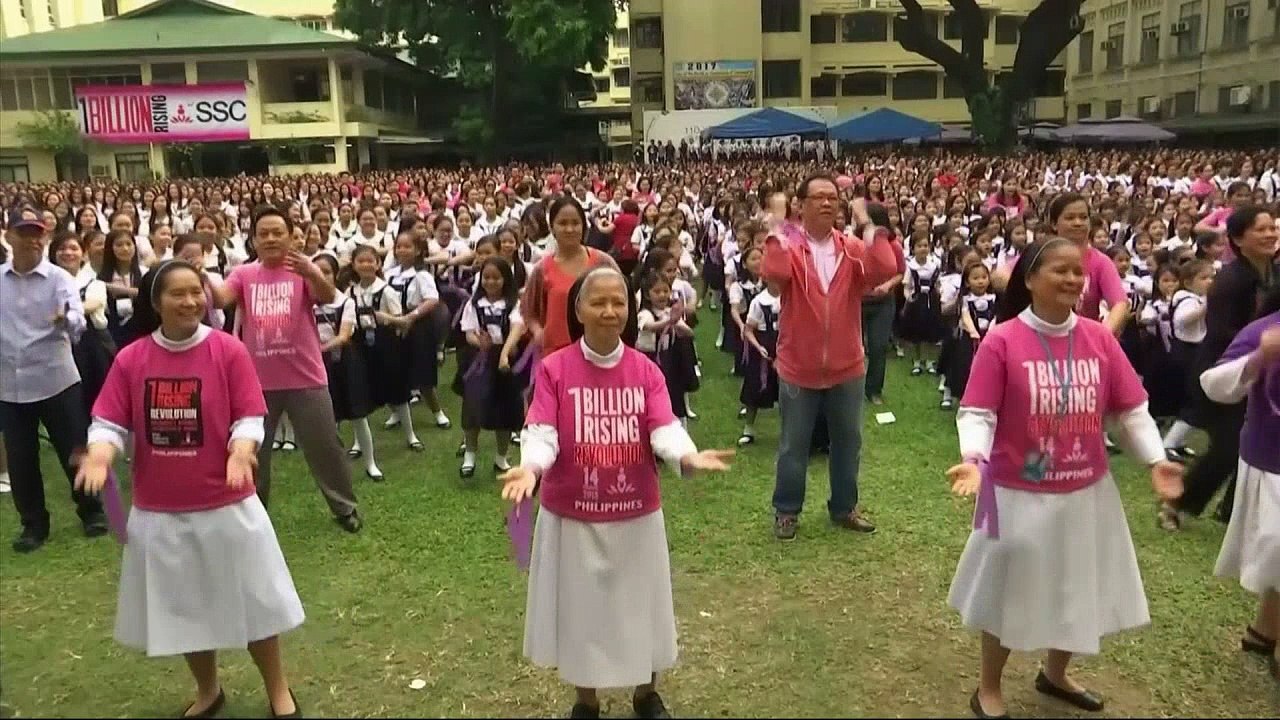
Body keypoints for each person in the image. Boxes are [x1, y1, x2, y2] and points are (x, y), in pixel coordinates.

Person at [946, 237, 1183, 719]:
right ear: (1029, 279)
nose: (1074, 279)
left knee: (1077, 582)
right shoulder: (1003, 340)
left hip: (1084, 489)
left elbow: (1131, 409)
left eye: (1079, 271)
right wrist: (975, 457)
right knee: (1008, 588)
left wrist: (1156, 460)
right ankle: (988, 687)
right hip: (1018, 491)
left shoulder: (1098, 339)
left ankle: (1056, 674)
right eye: (1060, 270)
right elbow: (978, 412)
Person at [499, 266, 734, 720]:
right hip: (573, 515)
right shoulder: (554, 369)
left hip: (635, 515)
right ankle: (585, 703)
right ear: (579, 310)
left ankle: (646, 695)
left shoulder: (645, 370)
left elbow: (664, 425)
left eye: (619, 303)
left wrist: (685, 455)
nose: (610, 311)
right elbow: (542, 430)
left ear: (629, 311)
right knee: (579, 613)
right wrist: (531, 468)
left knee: (641, 606)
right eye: (598, 302)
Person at [75, 260, 304, 719]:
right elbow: (110, 421)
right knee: (184, 611)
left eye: (197, 291)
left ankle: (279, 690)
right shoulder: (132, 358)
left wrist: (242, 450)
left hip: (227, 504)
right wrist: (101, 454)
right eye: (177, 294)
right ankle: (209, 690)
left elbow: (249, 414)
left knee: (255, 601)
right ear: (155, 302)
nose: (191, 301)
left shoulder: (226, 350)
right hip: (161, 511)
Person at [762, 178, 900, 541]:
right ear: (801, 205)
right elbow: (773, 275)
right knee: (794, 444)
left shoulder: (851, 248)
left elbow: (885, 267)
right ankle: (787, 510)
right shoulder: (790, 247)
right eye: (818, 198)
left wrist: (868, 223)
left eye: (833, 198)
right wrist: (777, 226)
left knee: (848, 441)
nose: (827, 204)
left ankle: (844, 507)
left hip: (846, 365)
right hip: (798, 365)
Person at [213, 207, 362, 533]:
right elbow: (219, 298)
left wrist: (311, 271)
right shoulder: (243, 274)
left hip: (306, 377)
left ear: (291, 236)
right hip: (257, 383)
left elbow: (328, 298)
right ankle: (252, 513)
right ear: (253, 239)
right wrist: (198, 276)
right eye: (262, 233)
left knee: (325, 447)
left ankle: (344, 507)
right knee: (254, 452)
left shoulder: (301, 269)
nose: (269, 238)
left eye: (276, 232)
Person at [0, 208, 108, 553]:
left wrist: (65, 320)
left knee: (74, 448)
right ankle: (33, 524)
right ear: (10, 236)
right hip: (10, 386)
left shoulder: (59, 278)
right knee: (21, 458)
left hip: (56, 379)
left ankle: (92, 511)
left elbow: (77, 319)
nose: (32, 239)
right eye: (24, 232)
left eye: (38, 233)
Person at [1171, 206, 1278, 528]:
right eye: (1261, 229)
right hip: (1219, 370)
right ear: (1238, 239)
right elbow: (1220, 332)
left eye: (1272, 227)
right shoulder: (1230, 281)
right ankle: (1176, 504)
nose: (1270, 234)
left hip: (1258, 370)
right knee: (1231, 444)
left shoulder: (1272, 274)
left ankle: (1232, 511)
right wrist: (1261, 341)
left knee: (1254, 440)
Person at [1199, 288, 1280, 683]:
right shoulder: (1267, 329)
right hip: (1273, 461)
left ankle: (1265, 630)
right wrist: (1261, 357)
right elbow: (1215, 384)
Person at [521, 197, 621, 358]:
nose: (569, 229)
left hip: (599, 351)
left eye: (575, 223)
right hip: (555, 353)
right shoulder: (542, 268)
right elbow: (528, 310)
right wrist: (539, 333)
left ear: (583, 227)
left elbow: (623, 299)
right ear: (552, 228)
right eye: (562, 223)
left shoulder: (603, 262)